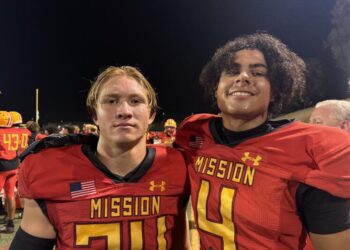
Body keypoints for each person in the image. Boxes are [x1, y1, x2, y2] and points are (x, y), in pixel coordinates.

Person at [175, 33, 350, 249]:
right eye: (232, 71)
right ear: (216, 87)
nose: (243, 77)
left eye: (258, 72)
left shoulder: (309, 149)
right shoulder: (194, 132)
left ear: (276, 91)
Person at [10, 66, 190, 249]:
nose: (124, 111)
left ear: (151, 115)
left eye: (136, 101)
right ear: (94, 114)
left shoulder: (177, 167)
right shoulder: (50, 171)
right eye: (111, 101)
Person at [0, 111, 20, 233]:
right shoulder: (17, 132)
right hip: (13, 166)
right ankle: (10, 224)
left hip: (2, 167)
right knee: (10, 195)